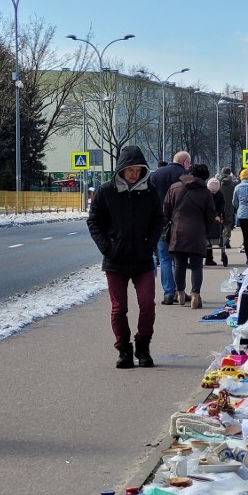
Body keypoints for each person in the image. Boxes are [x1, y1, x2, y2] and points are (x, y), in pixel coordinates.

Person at [87, 145, 164, 369]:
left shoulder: (150, 192)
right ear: (121, 169)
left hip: (142, 260)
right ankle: (124, 349)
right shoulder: (105, 192)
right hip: (115, 260)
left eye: (138, 170)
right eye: (130, 169)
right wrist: (107, 247)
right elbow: (94, 221)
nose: (134, 174)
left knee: (147, 304)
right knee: (119, 308)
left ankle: (143, 345)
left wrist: (150, 243)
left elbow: (159, 219)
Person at [164, 163, 216, 309]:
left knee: (179, 265)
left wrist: (171, 222)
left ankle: (180, 294)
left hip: (178, 231)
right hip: (197, 232)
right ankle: (195, 296)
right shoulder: (205, 192)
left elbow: (166, 209)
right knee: (196, 266)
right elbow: (210, 214)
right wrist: (205, 228)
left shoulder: (174, 187)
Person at [150, 151, 190, 305]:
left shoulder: (156, 175)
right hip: (182, 223)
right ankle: (180, 291)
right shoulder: (186, 176)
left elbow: (150, 198)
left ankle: (168, 293)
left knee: (165, 259)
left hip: (160, 222)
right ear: (185, 162)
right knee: (179, 260)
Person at [204, 177, 225, 266]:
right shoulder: (219, 194)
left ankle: (207, 257)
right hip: (216, 219)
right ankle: (209, 258)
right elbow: (222, 206)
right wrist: (218, 214)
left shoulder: (204, 193)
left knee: (205, 239)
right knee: (213, 237)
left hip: (204, 218)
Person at [217, 166, 237, 248]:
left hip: (218, 206)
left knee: (218, 223)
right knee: (228, 224)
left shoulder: (216, 182)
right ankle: (226, 241)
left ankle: (219, 240)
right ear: (229, 173)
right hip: (229, 207)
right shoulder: (232, 183)